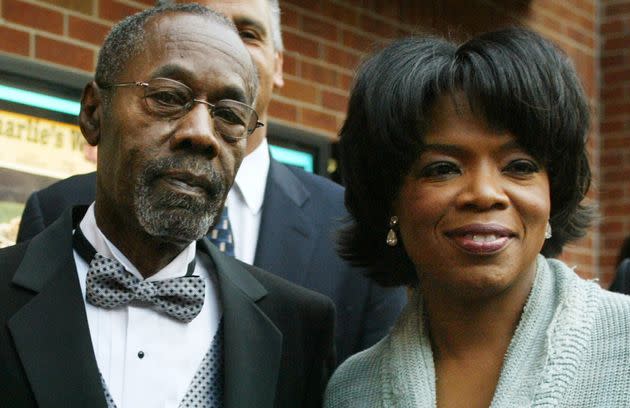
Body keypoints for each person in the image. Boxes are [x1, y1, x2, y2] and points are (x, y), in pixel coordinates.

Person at [15, 0, 406, 364]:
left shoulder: (354, 222)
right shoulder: (55, 208)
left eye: (247, 33)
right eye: (169, 96)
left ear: (279, 63)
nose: (221, 45)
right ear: (93, 113)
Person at [324, 28, 630, 407]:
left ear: (554, 193)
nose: (485, 192)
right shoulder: (351, 390)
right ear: (389, 201)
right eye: (442, 169)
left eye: (519, 166)